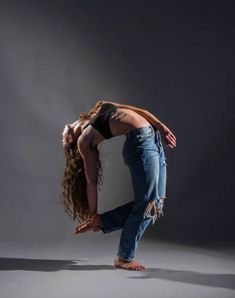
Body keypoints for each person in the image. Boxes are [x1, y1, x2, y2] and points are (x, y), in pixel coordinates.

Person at [61, 99, 176, 271]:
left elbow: (139, 109)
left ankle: (103, 222)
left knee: (156, 204)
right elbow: (91, 182)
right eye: (62, 139)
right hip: (140, 143)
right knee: (147, 203)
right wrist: (92, 214)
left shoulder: (99, 107)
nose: (61, 133)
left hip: (154, 138)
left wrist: (160, 126)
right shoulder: (83, 141)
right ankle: (124, 257)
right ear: (70, 139)